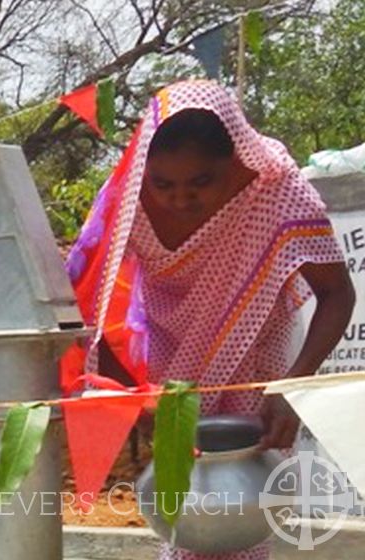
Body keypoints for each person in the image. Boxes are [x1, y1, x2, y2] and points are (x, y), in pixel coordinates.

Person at [63, 80, 355, 560]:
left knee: (239, 512)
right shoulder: (126, 203)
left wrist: (291, 390)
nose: (180, 199)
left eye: (201, 182)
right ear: (145, 174)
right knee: (183, 511)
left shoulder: (275, 192)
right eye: (165, 184)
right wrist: (135, 403)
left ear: (236, 162)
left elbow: (336, 293)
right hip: (169, 373)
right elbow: (84, 316)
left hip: (256, 370)